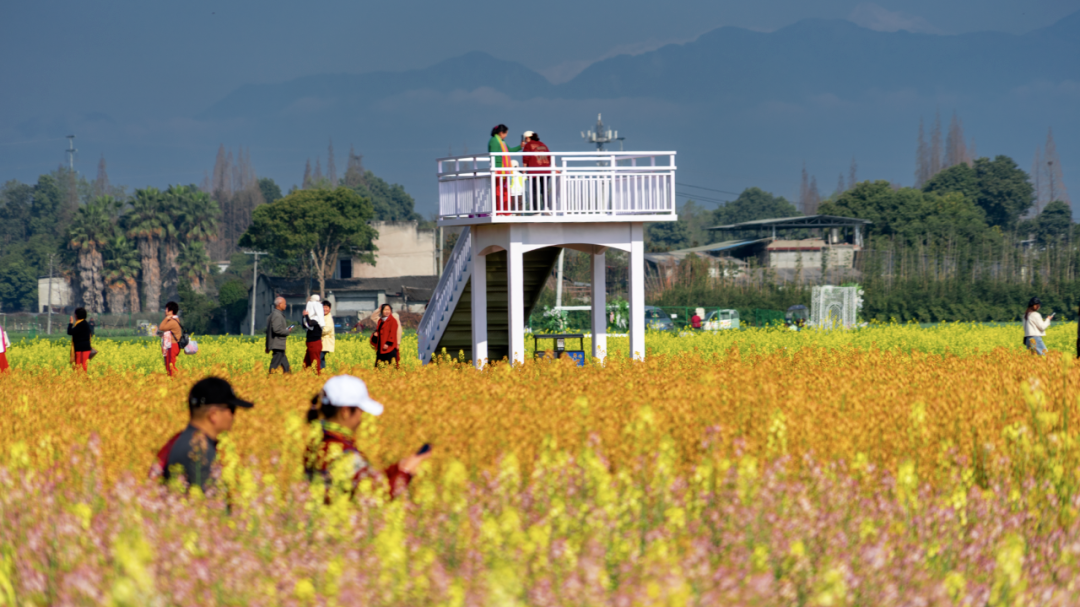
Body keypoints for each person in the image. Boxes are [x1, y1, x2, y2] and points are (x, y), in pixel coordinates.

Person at [304, 374, 429, 499]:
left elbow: (362, 481)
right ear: (345, 412)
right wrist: (406, 472)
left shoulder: (318, 442)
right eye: (361, 410)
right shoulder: (342, 454)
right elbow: (374, 499)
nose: (361, 417)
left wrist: (397, 468)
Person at [149, 376, 254, 491]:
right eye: (232, 409)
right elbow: (209, 500)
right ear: (213, 415)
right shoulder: (199, 452)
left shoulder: (181, 441)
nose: (232, 417)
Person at [488, 124, 521, 215]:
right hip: (498, 169)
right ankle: (499, 211)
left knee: (505, 190)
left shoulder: (502, 142)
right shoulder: (494, 141)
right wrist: (495, 169)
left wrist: (520, 146)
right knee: (499, 191)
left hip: (504, 170)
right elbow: (493, 156)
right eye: (506, 133)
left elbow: (509, 151)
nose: (506, 136)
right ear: (501, 133)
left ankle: (506, 212)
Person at [521, 131, 552, 211]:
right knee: (544, 190)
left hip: (534, 171)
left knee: (534, 191)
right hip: (545, 170)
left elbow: (525, 158)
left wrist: (524, 170)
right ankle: (546, 208)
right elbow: (549, 157)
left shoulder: (528, 145)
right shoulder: (542, 144)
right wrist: (555, 167)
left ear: (527, 138)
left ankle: (536, 210)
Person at [266, 296, 293, 374]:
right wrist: (287, 331)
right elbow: (276, 330)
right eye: (284, 304)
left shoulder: (274, 314)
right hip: (277, 345)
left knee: (286, 366)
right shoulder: (277, 315)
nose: (285, 305)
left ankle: (289, 378)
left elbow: (268, 331)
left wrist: (267, 346)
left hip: (278, 345)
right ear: (280, 304)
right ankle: (270, 378)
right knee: (274, 365)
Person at [370, 304, 401, 369]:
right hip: (381, 346)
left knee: (390, 365)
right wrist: (379, 309)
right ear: (382, 311)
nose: (387, 312)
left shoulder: (393, 320)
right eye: (385, 310)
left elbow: (394, 332)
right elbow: (373, 317)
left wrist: (389, 343)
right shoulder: (381, 320)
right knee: (379, 367)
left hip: (389, 346)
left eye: (388, 310)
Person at [159, 301, 183, 377]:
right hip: (173, 345)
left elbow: (161, 327)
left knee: (171, 366)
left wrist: (166, 319)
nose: (165, 311)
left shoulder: (172, 321)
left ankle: (179, 379)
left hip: (172, 345)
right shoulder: (175, 320)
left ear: (171, 311)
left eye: (166, 309)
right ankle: (172, 380)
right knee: (169, 365)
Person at [67, 307, 93, 372]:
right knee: (84, 367)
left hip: (81, 349)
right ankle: (83, 378)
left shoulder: (80, 324)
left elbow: (70, 332)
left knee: (79, 367)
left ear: (77, 315)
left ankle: (81, 378)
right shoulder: (85, 323)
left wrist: (70, 323)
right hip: (86, 348)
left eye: (75, 314)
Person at [302, 303, 323, 375]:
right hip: (310, 343)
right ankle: (303, 378)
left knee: (315, 363)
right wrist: (304, 316)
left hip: (314, 343)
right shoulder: (311, 318)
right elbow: (305, 325)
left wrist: (306, 315)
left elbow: (310, 323)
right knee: (306, 364)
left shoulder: (317, 318)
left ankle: (318, 377)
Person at [320, 300, 335, 370]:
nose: (325, 309)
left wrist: (316, 332)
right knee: (321, 359)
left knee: (319, 358)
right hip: (323, 342)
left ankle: (321, 372)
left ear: (330, 309)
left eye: (326, 307)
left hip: (325, 342)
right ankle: (323, 372)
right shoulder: (323, 316)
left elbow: (326, 330)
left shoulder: (328, 318)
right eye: (323, 307)